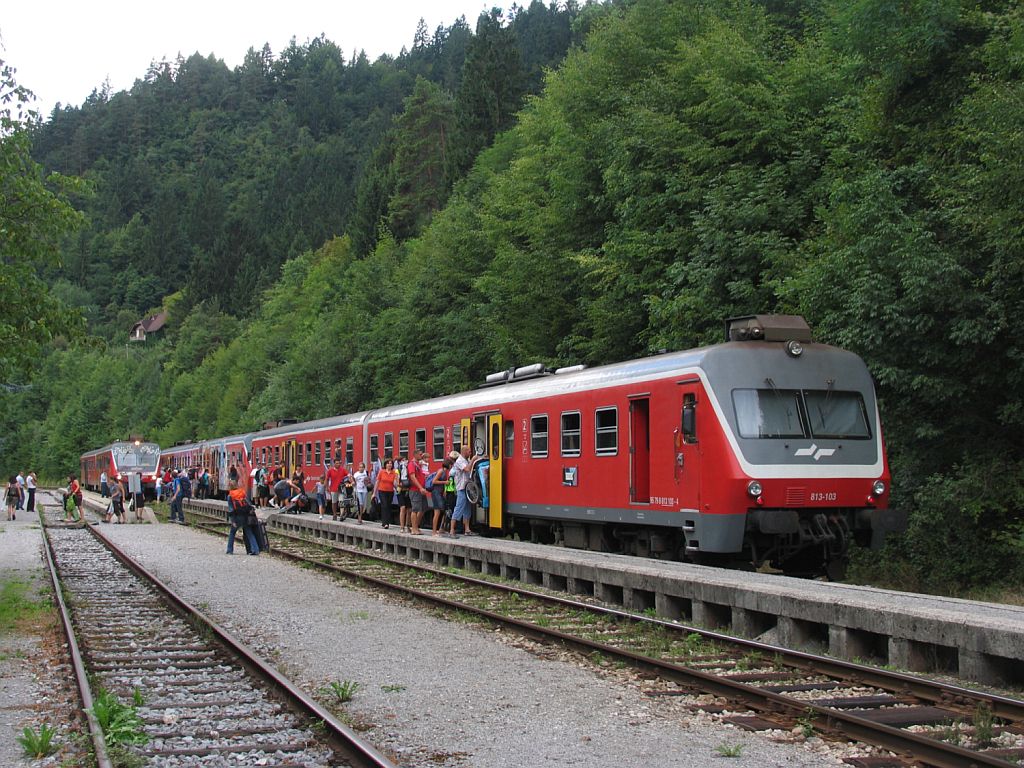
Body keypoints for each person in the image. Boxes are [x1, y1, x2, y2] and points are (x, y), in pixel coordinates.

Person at [226, 480, 260, 555]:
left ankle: (229, 550)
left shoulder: (230, 496)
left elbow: (231, 509)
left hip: (237, 516)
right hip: (246, 515)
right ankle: (255, 549)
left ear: (230, 487)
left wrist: (233, 521)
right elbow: (249, 504)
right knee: (249, 533)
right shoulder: (242, 492)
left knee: (232, 533)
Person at [448, 445, 475, 537]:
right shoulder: (459, 461)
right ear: (464, 452)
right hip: (461, 488)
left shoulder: (466, 460)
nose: (470, 453)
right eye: (469, 451)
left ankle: (467, 529)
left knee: (467, 509)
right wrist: (473, 460)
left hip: (467, 488)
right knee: (459, 508)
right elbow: (467, 469)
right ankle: (452, 530)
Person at [407, 449, 429, 535]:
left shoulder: (419, 464)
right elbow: (413, 477)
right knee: (415, 509)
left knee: (423, 508)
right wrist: (420, 487)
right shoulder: (412, 464)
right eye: (420, 454)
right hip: (415, 490)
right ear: (415, 455)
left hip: (421, 489)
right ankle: (413, 529)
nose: (421, 455)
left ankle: (416, 526)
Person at [430, 458, 452, 536]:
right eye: (451, 465)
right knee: (437, 512)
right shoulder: (441, 471)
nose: (451, 466)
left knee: (441, 511)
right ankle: (434, 532)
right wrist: (445, 482)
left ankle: (439, 529)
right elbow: (434, 481)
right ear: (448, 465)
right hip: (436, 493)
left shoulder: (444, 472)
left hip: (439, 493)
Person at [374, 458, 397, 529]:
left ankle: (387, 522)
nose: (389, 465)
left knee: (389, 506)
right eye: (388, 463)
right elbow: (377, 482)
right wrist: (374, 493)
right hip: (382, 491)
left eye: (391, 463)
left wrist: (397, 482)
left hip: (390, 491)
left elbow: (395, 484)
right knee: (384, 505)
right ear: (385, 465)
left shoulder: (394, 473)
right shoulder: (381, 471)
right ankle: (385, 523)